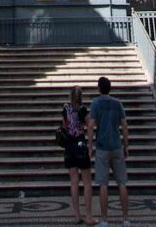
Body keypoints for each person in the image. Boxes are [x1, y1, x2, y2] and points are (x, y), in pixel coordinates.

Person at [87, 76, 130, 227]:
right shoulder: (118, 104)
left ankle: (104, 220)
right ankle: (125, 219)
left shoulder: (95, 104)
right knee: (122, 183)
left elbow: (91, 125)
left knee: (103, 184)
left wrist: (90, 145)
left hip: (102, 147)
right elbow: (124, 126)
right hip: (117, 145)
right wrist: (126, 145)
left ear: (99, 89)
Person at [61, 87, 94, 225]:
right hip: (81, 145)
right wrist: (91, 144)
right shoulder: (83, 110)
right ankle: (88, 215)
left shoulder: (66, 110)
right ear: (80, 97)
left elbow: (64, 127)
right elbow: (90, 125)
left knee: (74, 181)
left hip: (69, 147)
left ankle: (77, 215)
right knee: (87, 181)